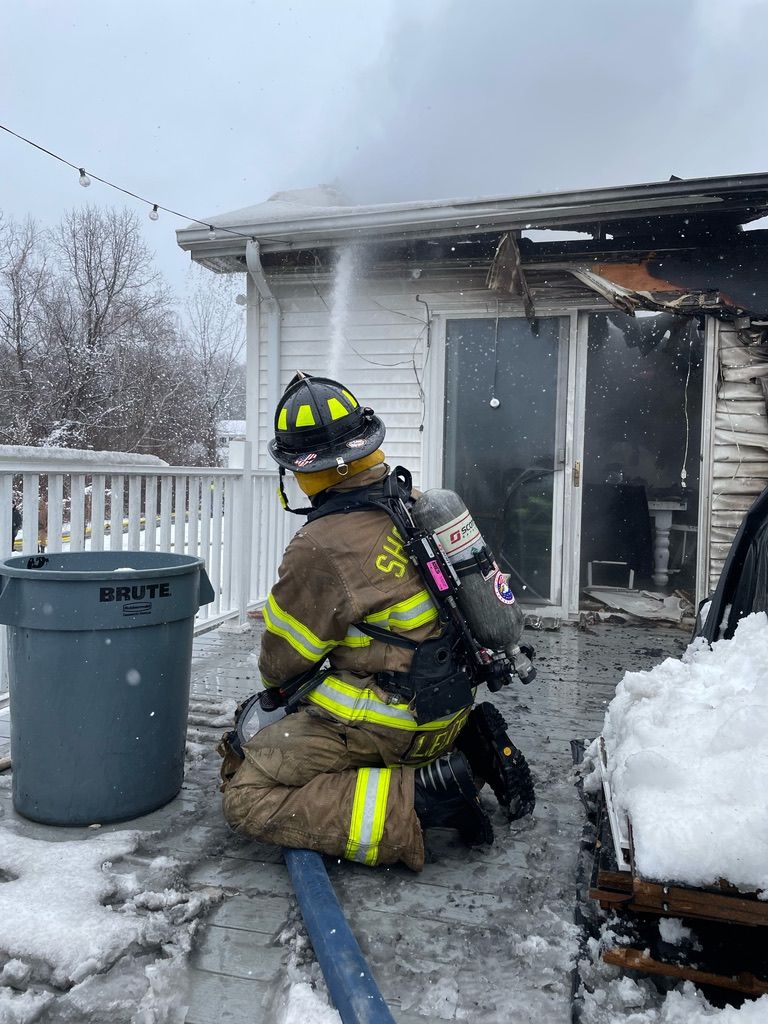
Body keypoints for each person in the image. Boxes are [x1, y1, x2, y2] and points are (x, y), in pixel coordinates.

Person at [219, 372, 534, 871]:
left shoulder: (319, 546)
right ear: (368, 446)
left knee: (247, 793)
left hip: (396, 724)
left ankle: (424, 802)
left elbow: (281, 668)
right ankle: (469, 746)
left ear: (299, 471)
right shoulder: (411, 506)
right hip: (450, 704)